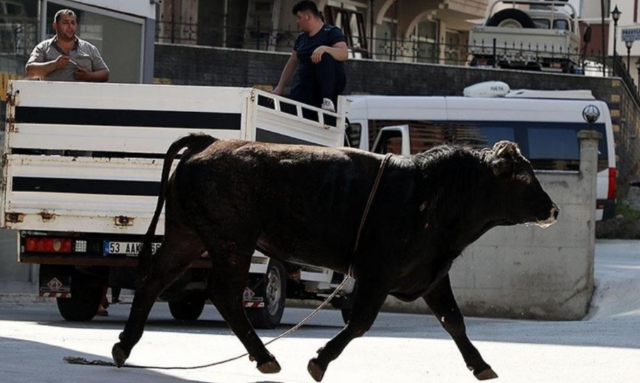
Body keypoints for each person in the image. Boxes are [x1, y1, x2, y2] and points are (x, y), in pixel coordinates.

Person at [273, 1, 347, 112]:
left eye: (299, 17)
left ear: (308, 17)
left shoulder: (331, 32)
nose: (297, 22)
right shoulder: (301, 38)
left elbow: (344, 53)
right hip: (305, 85)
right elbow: (293, 62)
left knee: (324, 55)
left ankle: (327, 99)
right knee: (290, 108)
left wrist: (324, 48)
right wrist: (280, 87)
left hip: (325, 83)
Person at [25, 9, 109, 82]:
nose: (70, 26)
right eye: (65, 23)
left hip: (82, 99)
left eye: (73, 23)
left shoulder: (89, 49)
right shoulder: (43, 48)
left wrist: (88, 76)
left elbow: (105, 73)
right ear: (55, 25)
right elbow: (30, 71)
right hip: (51, 99)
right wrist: (54, 65)